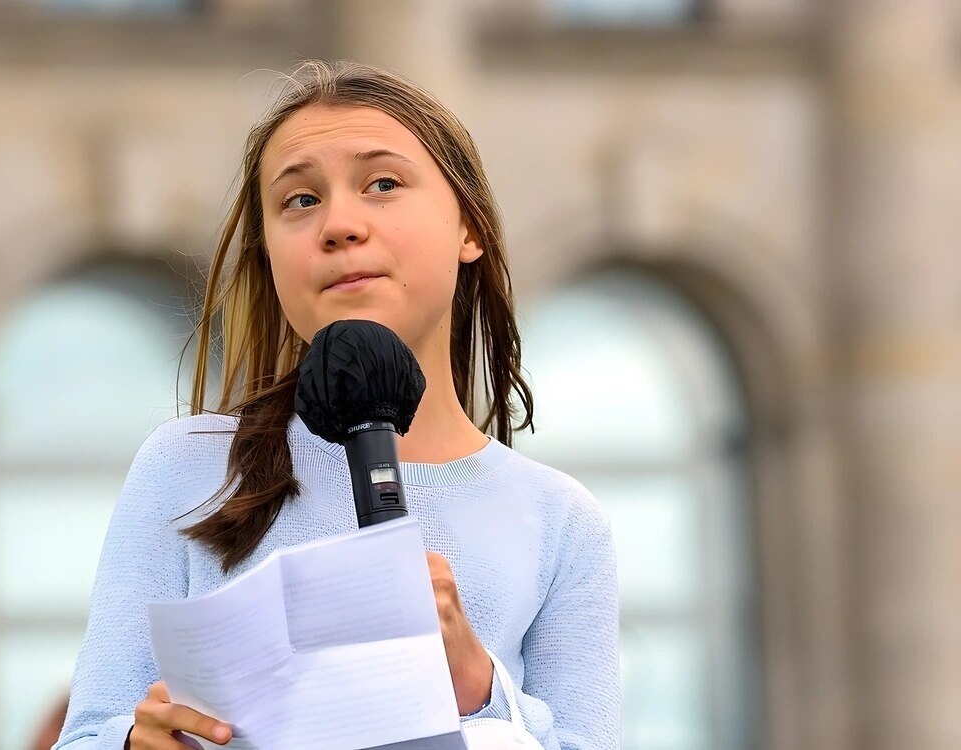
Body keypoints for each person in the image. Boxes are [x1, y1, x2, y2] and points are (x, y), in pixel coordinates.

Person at [54, 60, 620, 750]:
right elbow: (88, 734)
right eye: (299, 201)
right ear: (270, 258)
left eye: (382, 183)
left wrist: (479, 689)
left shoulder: (559, 520)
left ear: (469, 228)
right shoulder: (189, 467)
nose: (339, 224)